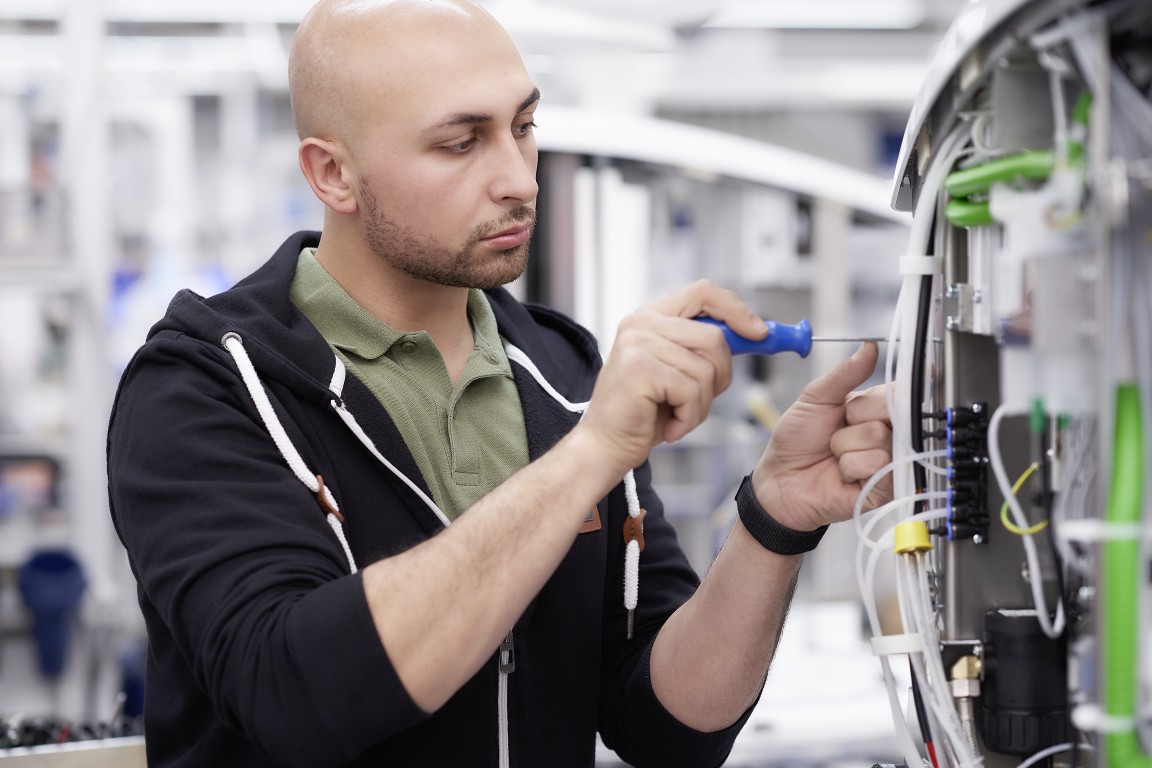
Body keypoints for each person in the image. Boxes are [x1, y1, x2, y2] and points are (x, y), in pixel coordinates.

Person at [105, 1, 893, 766]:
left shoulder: (560, 370)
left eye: (524, 127)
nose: (519, 179)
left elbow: (668, 729)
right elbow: (294, 700)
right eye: (460, 143)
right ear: (334, 173)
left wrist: (775, 519)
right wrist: (588, 455)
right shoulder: (206, 386)